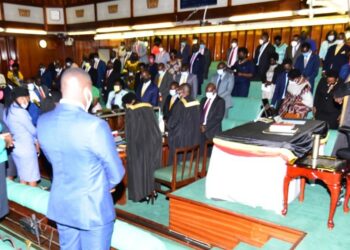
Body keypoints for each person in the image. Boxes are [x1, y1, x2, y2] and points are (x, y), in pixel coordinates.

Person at [37, 68, 125, 250]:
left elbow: (56, 161)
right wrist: (105, 185)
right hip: (93, 209)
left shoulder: (43, 121)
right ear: (87, 92)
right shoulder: (95, 125)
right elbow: (116, 173)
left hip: (62, 205)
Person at [122, 92, 162, 203]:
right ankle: (153, 191)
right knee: (151, 167)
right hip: (154, 142)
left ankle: (142, 195)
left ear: (131, 102)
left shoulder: (132, 110)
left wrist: (128, 146)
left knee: (139, 169)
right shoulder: (149, 107)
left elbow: (131, 132)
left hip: (139, 144)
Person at [3, 87, 40, 187]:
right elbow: (32, 130)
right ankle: (34, 200)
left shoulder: (8, 110)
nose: (26, 101)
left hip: (16, 148)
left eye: (27, 99)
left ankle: (23, 200)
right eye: (24, 98)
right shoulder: (21, 112)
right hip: (26, 149)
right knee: (32, 178)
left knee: (23, 177)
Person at [167, 84, 200, 164]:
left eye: (179, 90)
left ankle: (175, 174)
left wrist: (167, 125)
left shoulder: (180, 104)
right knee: (189, 160)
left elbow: (173, 122)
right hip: (194, 138)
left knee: (179, 160)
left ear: (182, 91)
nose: (177, 92)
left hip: (181, 138)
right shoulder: (196, 103)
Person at [200, 83, 225, 154]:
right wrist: (200, 125)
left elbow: (218, 117)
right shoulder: (203, 100)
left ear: (214, 91)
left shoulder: (220, 101)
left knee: (210, 155)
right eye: (206, 91)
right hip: (201, 130)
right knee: (202, 154)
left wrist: (206, 127)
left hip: (212, 131)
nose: (207, 93)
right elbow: (200, 114)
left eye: (209, 91)